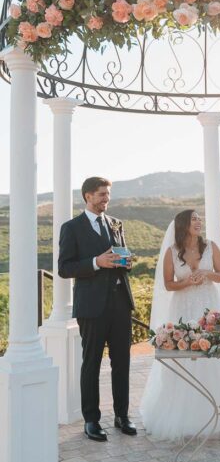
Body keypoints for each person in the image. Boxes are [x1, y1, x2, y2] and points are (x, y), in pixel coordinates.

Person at [139, 209, 220, 441]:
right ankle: (186, 416)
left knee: (215, 355)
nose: (198, 222)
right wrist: (186, 281)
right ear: (183, 225)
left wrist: (206, 273)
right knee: (186, 355)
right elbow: (168, 284)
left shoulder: (211, 246)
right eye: (193, 219)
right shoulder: (172, 252)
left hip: (210, 304)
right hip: (183, 308)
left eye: (199, 219)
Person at [58, 176, 137, 442]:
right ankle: (91, 420)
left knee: (122, 362)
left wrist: (126, 261)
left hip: (120, 303)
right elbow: (65, 268)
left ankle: (121, 416)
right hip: (91, 307)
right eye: (102, 194)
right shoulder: (72, 228)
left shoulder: (116, 223)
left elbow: (123, 257)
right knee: (91, 363)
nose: (106, 198)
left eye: (108, 194)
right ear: (87, 196)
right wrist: (95, 262)